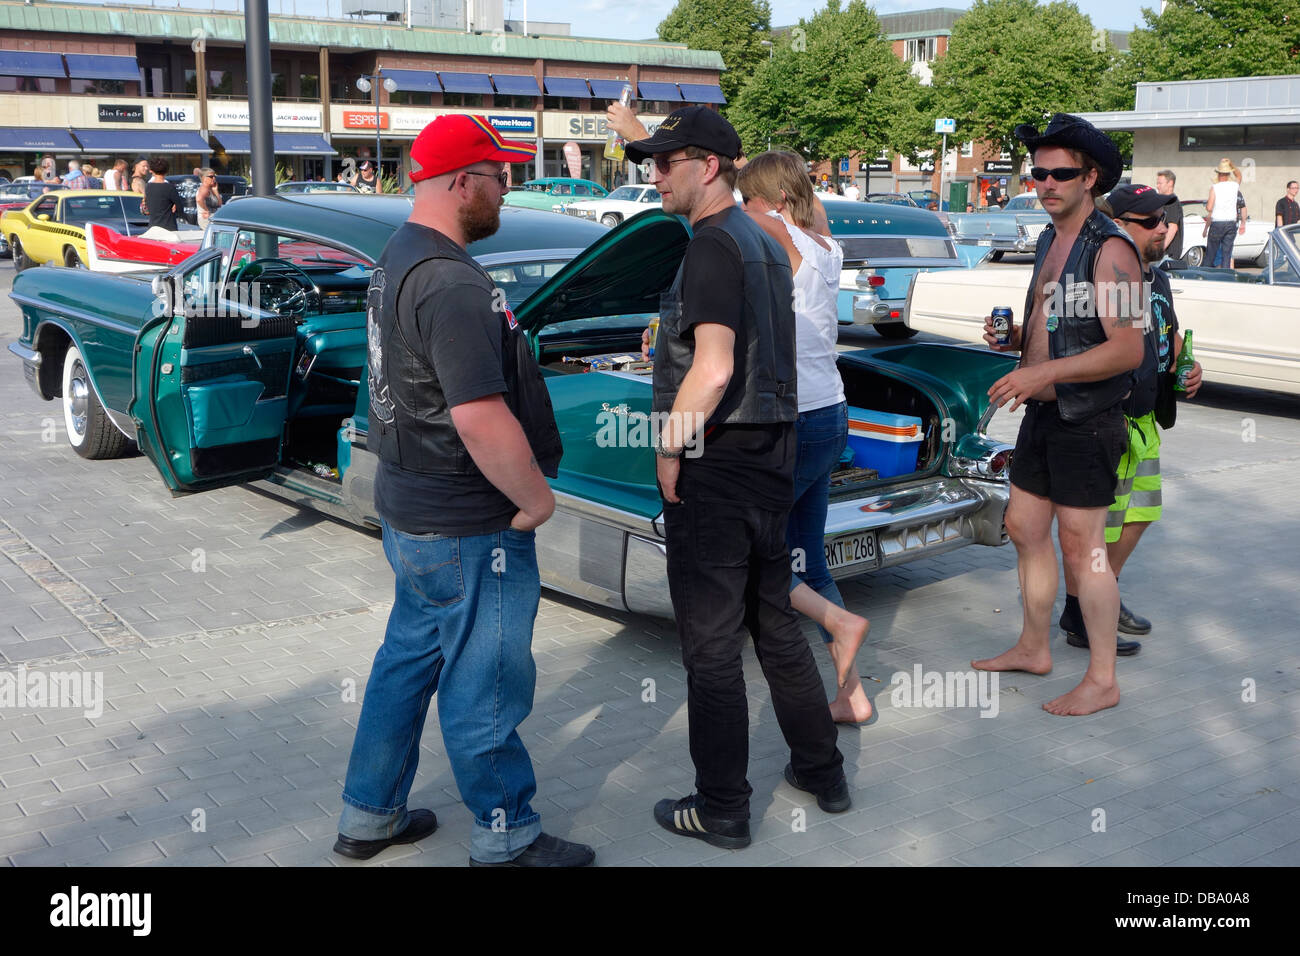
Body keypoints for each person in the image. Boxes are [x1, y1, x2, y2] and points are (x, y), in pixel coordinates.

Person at [336, 114, 594, 868]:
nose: (507, 191)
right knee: (486, 678)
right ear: (460, 182)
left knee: (407, 661)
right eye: (500, 176)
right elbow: (478, 416)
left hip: (414, 511)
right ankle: (506, 834)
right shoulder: (449, 280)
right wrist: (536, 502)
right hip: (466, 521)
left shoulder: (400, 255)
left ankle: (369, 814)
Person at [624, 108, 849, 848]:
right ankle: (822, 768)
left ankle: (721, 806)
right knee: (776, 622)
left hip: (718, 466)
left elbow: (715, 366)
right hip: (773, 454)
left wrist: (668, 447)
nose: (652, 174)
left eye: (665, 161)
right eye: (648, 161)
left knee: (712, 647)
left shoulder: (716, 245)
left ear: (708, 164)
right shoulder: (760, 238)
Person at [972, 113, 1145, 716]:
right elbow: (1062, 327)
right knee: (1023, 526)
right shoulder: (1049, 238)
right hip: (1043, 414)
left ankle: (1101, 679)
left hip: (1088, 418)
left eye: (1059, 174)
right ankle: (1033, 646)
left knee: (1084, 548)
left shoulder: (1112, 249)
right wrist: (1019, 340)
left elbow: (1128, 347)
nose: (1045, 183)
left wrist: (1042, 372)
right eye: (1037, 172)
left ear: (1091, 176)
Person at [735, 151, 873, 724]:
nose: (742, 209)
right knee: (807, 560)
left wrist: (648, 140)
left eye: (749, 199)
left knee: (744, 554)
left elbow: (716, 216)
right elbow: (805, 206)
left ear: (774, 204)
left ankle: (839, 623)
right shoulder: (825, 247)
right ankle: (852, 694)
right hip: (831, 411)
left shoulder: (775, 231)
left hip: (796, 419)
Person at [1058, 184, 1203, 657]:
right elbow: (1067, 337)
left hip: (1144, 422)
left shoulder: (1157, 279)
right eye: (1152, 221)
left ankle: (1105, 595)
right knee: (1099, 528)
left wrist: (1189, 369)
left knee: (1140, 516)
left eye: (1165, 219)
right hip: (1107, 419)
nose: (1164, 228)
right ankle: (1082, 616)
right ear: (1118, 224)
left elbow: (1170, 333)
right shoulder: (1101, 275)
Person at [1204, 158, 1246, 268]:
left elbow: (1209, 207)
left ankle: (1204, 277)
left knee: (1211, 253)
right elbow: (1239, 175)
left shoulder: (1215, 187)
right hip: (1231, 223)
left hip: (1218, 222)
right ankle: (1225, 279)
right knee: (1226, 254)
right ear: (1228, 174)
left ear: (1218, 174)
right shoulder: (1234, 186)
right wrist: (1231, 163)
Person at [143, 158, 183, 230]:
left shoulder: (148, 187)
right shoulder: (169, 187)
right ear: (167, 171)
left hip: (153, 227)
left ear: (151, 171)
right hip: (168, 227)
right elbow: (180, 209)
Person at [1154, 169, 1182, 264]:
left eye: (1160, 183)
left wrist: (1160, 249)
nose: (1157, 186)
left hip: (1168, 256)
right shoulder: (1166, 202)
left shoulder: (1172, 202)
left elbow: (1173, 228)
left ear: (1170, 183)